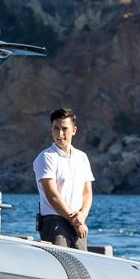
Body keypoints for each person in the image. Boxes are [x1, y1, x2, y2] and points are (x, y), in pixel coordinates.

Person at [35, 107, 95, 250]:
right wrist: (76, 221)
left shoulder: (82, 157)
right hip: (54, 220)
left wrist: (82, 215)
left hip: (77, 221)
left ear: (74, 130)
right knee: (59, 265)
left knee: (82, 265)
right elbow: (52, 195)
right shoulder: (46, 157)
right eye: (56, 128)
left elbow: (87, 193)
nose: (60, 134)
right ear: (51, 129)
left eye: (64, 129)